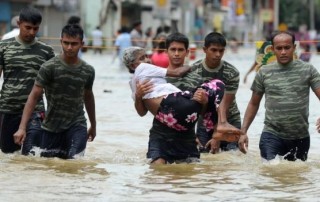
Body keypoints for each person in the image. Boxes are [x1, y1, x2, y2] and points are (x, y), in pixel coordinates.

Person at [134, 32, 241, 164]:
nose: (177, 54)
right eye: (173, 49)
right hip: (161, 136)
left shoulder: (197, 78)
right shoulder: (156, 78)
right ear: (166, 52)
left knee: (189, 179)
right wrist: (138, 96)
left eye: (180, 50)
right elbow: (141, 112)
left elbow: (201, 112)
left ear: (187, 52)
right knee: (158, 174)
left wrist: (205, 102)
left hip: (187, 138)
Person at [13, 24, 96, 159]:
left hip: (77, 125)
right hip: (51, 127)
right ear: (61, 42)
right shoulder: (49, 67)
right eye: (66, 43)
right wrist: (22, 128)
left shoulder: (88, 70)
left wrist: (93, 125)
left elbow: (88, 97)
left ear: (82, 44)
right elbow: (34, 96)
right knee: (50, 167)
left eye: (74, 44)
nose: (69, 47)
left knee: (75, 164)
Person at [239, 31, 320, 161]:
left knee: (296, 176)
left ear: (294, 47)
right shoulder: (264, 72)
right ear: (272, 49)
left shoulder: (308, 70)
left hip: (301, 137)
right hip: (272, 135)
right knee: (271, 171)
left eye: (287, 48)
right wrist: (243, 132)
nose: (283, 52)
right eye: (279, 48)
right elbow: (253, 103)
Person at [124, 46, 226, 136]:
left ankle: (215, 129)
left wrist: (138, 96)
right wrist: (190, 66)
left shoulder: (133, 83)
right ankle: (219, 126)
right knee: (217, 84)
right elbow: (177, 73)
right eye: (142, 58)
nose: (147, 60)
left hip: (173, 121)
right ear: (133, 66)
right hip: (175, 103)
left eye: (147, 56)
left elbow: (142, 113)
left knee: (202, 102)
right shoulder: (144, 67)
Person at [0, 7, 55, 155]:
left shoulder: (46, 51)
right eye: (28, 28)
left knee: (32, 155)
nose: (31, 32)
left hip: (36, 111)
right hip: (8, 108)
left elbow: (52, 85)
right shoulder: (4, 47)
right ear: (19, 23)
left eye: (35, 28)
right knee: (8, 154)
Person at [191, 32, 242, 153]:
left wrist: (217, 134)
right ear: (204, 49)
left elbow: (225, 105)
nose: (217, 54)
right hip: (205, 120)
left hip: (230, 119)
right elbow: (190, 105)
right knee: (203, 160)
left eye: (221, 51)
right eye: (213, 50)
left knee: (230, 159)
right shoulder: (193, 71)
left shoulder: (232, 72)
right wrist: (190, 134)